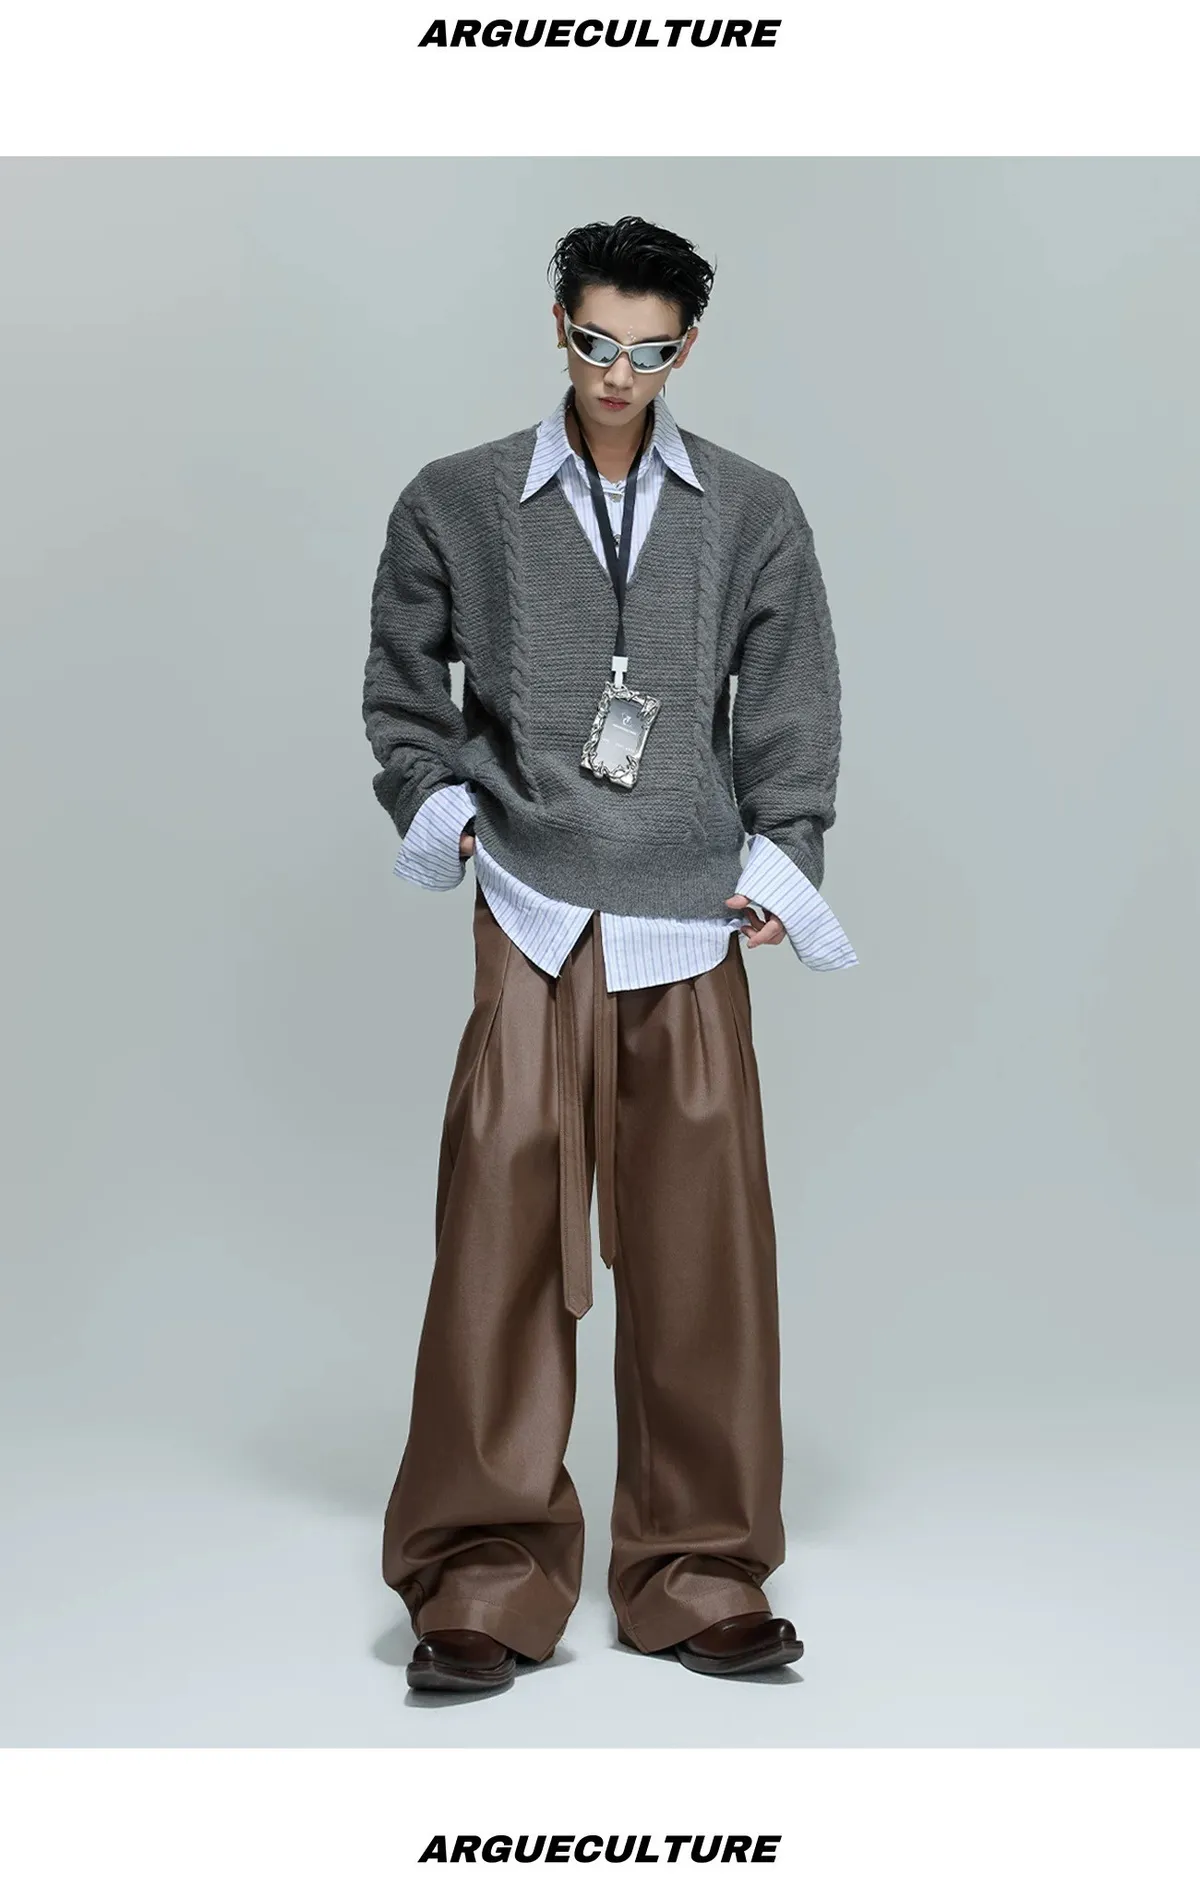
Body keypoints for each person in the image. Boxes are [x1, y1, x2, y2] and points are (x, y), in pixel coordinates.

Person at [362, 214, 857, 1696]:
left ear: (686, 349)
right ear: (560, 330)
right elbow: (402, 678)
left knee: (705, 1249)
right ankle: (481, 1568)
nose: (616, 373)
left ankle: (700, 1566)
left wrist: (786, 849)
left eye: (647, 350)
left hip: (688, 919)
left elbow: (791, 693)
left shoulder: (752, 509)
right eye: (594, 341)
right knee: (500, 1238)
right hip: (533, 906)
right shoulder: (458, 499)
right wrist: (438, 797)